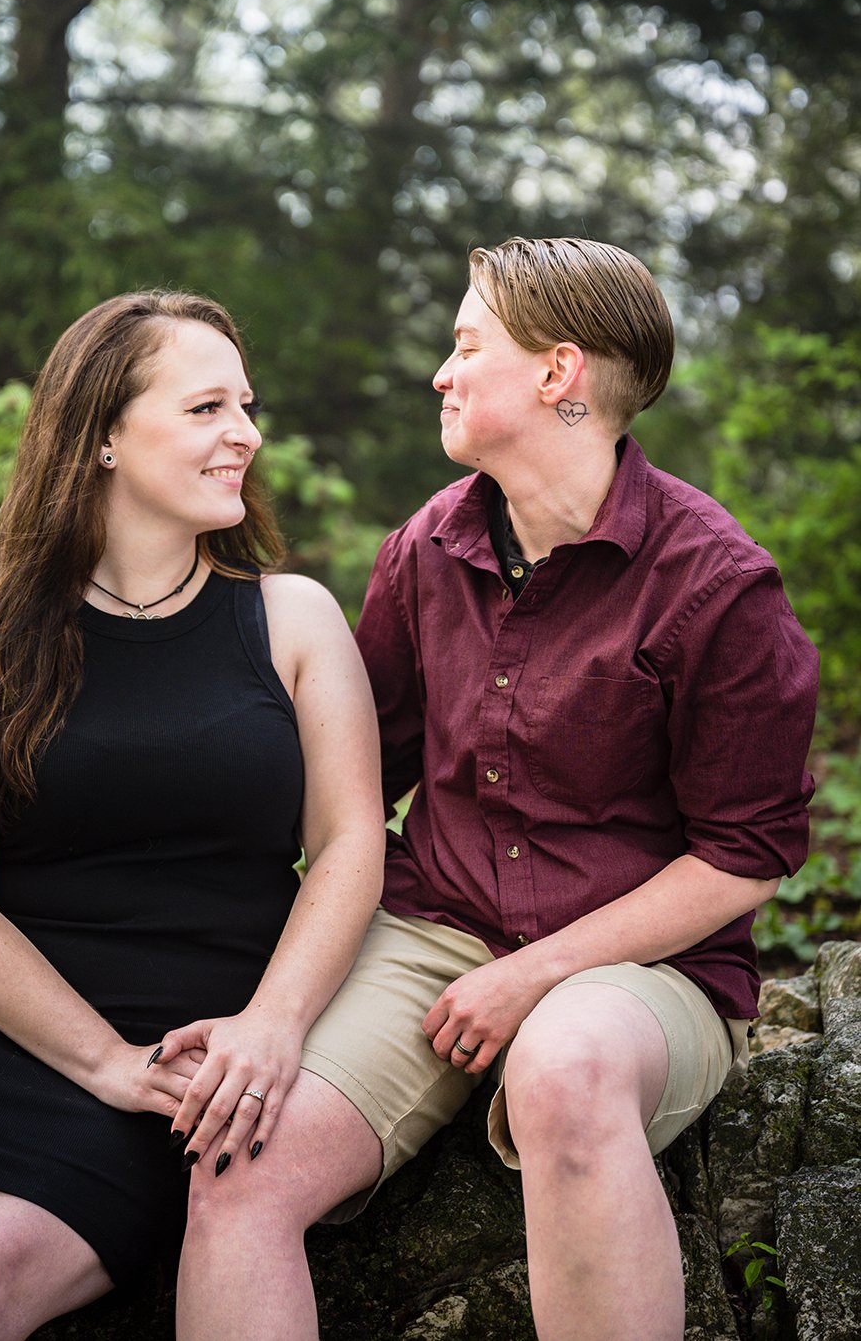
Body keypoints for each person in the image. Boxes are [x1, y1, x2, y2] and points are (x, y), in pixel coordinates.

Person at [173, 238, 819, 1341]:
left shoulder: (717, 587)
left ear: (558, 376)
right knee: (238, 1160)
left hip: (637, 966)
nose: (442, 371)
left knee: (562, 1072)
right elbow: (348, 778)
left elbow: (743, 857)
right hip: (434, 930)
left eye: (466, 344)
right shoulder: (427, 547)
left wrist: (537, 976)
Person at [0, 291, 384, 1339]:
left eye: (247, 404)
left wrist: (272, 1026)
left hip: (176, 1067)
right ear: (100, 434)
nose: (246, 434)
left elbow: (347, 845)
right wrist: (99, 1059)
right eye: (205, 409)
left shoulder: (292, 618)